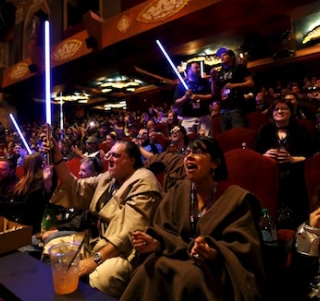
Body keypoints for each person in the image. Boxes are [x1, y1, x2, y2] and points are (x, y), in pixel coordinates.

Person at [121, 137, 265, 300]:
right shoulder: (176, 193)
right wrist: (155, 243)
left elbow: (243, 248)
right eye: (187, 152)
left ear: (215, 163)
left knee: (189, 278)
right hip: (176, 257)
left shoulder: (235, 199)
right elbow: (164, 231)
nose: (189, 156)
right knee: (148, 268)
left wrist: (211, 252)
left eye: (197, 152)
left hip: (216, 269)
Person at [46, 137, 163, 298]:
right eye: (109, 155)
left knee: (104, 278)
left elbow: (128, 233)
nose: (108, 158)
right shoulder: (109, 178)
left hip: (125, 252)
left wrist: (94, 261)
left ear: (132, 160)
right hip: (96, 241)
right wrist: (57, 159)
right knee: (52, 249)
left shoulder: (144, 180)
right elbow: (75, 186)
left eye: (115, 155)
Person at [255, 99, 313, 228]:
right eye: (276, 109)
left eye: (284, 109)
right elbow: (255, 154)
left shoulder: (300, 130)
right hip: (269, 173)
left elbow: (311, 155)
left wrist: (292, 159)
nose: (279, 111)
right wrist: (264, 156)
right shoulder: (265, 130)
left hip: (294, 173)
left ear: (291, 113)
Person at [0, 153, 49, 233]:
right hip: (17, 218)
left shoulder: (36, 183)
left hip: (27, 225)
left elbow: (24, 206)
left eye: (3, 170)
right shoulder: (26, 182)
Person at [211, 47, 254, 131]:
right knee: (226, 137)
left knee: (239, 134)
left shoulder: (239, 68)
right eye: (220, 56)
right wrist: (213, 78)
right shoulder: (220, 73)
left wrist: (234, 85)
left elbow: (251, 83)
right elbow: (214, 92)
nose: (222, 57)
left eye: (224, 55)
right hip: (223, 109)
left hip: (237, 107)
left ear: (232, 57)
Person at [141, 125, 188, 194]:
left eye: (177, 130)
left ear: (183, 134)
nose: (174, 133)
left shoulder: (189, 149)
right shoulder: (168, 151)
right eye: (172, 131)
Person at [174, 62, 214, 136]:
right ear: (189, 70)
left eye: (198, 68)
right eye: (196, 68)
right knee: (188, 140)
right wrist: (185, 97)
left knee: (206, 140)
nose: (198, 69)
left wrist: (198, 96)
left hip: (204, 116)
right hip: (188, 118)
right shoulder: (181, 85)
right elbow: (176, 103)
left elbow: (211, 96)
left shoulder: (204, 82)